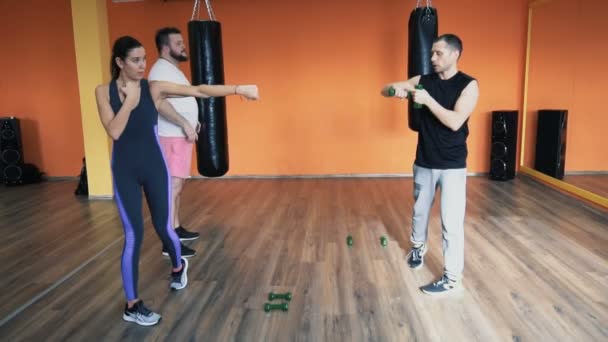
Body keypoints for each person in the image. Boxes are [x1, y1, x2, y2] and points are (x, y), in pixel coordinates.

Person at [94, 36, 259, 325]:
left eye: (144, 59)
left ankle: (177, 266)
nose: (142, 65)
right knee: (133, 235)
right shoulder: (102, 91)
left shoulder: (153, 88)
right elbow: (115, 132)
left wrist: (237, 89)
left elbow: (197, 89)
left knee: (163, 226)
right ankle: (132, 305)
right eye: (135, 60)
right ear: (119, 62)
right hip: (124, 170)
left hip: (154, 167)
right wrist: (129, 103)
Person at [381, 33, 479, 295]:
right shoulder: (422, 80)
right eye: (432, 53)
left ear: (455, 54)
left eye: (439, 53)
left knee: (451, 221)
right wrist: (395, 90)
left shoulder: (469, 85)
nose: (432, 58)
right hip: (424, 160)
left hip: (452, 165)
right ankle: (418, 248)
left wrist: (427, 101)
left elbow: (455, 121)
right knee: (420, 211)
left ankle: (452, 277)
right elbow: (385, 88)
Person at [148, 27, 199, 258]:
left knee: (178, 186)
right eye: (178, 43)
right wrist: (185, 123)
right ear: (166, 47)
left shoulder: (172, 69)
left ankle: (176, 228)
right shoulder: (160, 71)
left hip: (180, 135)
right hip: (172, 136)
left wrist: (192, 122)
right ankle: (169, 242)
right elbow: (160, 105)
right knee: (172, 187)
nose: (183, 46)